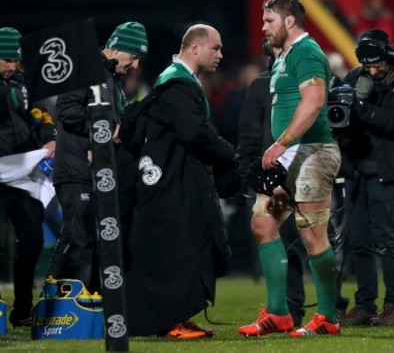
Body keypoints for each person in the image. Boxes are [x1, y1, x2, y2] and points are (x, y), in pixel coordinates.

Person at [238, 0, 341, 338]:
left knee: (312, 233)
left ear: (289, 21)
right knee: (264, 223)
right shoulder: (284, 56)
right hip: (289, 159)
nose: (264, 27)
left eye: (269, 21)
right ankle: (279, 313)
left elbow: (313, 103)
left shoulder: (308, 53)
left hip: (312, 154)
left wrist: (280, 143)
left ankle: (327, 316)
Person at [125, 24, 237, 338]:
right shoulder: (176, 82)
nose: (220, 55)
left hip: (172, 176)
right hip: (169, 181)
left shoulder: (177, 80)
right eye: (215, 48)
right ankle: (169, 321)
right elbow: (193, 133)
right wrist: (228, 153)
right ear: (195, 48)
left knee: (188, 242)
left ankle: (178, 317)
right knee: (177, 246)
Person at [48, 21, 148, 293]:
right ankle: (55, 305)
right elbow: (66, 112)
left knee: (87, 239)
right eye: (134, 57)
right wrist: (102, 130)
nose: (136, 66)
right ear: (116, 49)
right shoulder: (84, 67)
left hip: (94, 171)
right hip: (75, 169)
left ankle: (85, 305)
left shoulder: (111, 79)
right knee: (77, 239)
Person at [336, 29, 394, 326]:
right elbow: (343, 123)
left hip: (388, 169)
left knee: (383, 238)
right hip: (358, 169)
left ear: (388, 56)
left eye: (377, 66)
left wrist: (360, 108)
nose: (372, 71)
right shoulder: (354, 79)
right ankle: (365, 305)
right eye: (367, 66)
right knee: (358, 241)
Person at [0, 27, 56, 327]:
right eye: (7, 60)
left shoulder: (23, 84)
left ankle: (22, 309)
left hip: (22, 176)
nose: (12, 66)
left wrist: (49, 138)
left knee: (32, 241)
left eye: (16, 61)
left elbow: (40, 115)